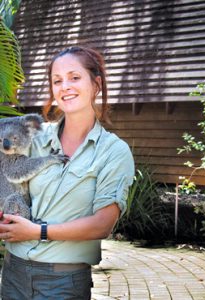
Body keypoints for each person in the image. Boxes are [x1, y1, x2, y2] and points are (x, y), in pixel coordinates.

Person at [0, 46, 135, 299]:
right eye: (57, 81)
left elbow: (102, 225)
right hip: (13, 273)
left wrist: (37, 232)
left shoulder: (113, 151)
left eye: (74, 77)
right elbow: (7, 178)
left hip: (63, 282)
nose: (65, 87)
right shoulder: (33, 136)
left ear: (96, 85)